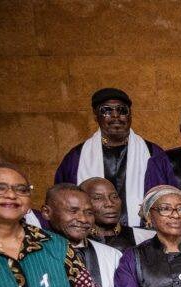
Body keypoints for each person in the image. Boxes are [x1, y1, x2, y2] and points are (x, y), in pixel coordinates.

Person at [55, 87, 165, 227]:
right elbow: (61, 202)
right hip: (91, 237)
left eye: (122, 110)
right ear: (96, 116)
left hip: (143, 237)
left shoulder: (154, 154)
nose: (115, 116)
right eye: (106, 110)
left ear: (130, 116)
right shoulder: (76, 158)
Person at [80, 177, 155, 249]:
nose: (109, 203)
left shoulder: (146, 238)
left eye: (114, 197)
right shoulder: (74, 243)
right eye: (98, 198)